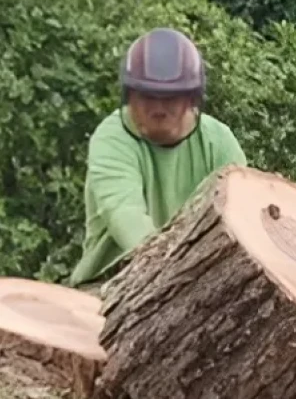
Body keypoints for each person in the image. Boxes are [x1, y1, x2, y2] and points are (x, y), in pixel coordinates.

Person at [69, 27, 247, 288]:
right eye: (146, 97)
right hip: (110, 282)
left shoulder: (219, 141)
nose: (157, 109)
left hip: (201, 282)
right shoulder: (112, 137)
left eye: (169, 99)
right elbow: (124, 214)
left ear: (190, 99)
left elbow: (241, 220)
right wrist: (167, 269)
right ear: (129, 96)